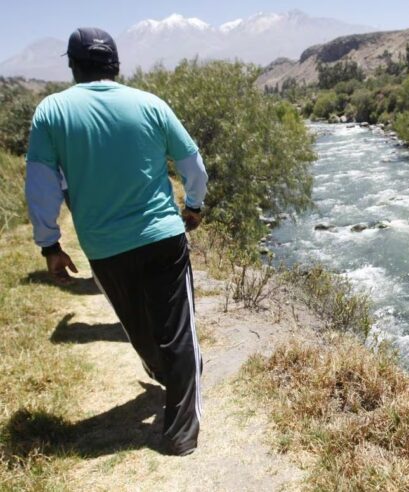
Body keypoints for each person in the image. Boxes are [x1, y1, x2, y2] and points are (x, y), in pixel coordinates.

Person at [25, 27, 208, 456]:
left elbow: (41, 187)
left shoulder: (51, 112)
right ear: (116, 64)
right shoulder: (149, 103)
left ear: (73, 65)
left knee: (140, 329)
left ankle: (175, 383)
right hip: (162, 236)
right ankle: (181, 432)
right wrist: (194, 205)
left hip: (104, 248)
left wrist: (50, 246)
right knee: (177, 332)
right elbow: (192, 164)